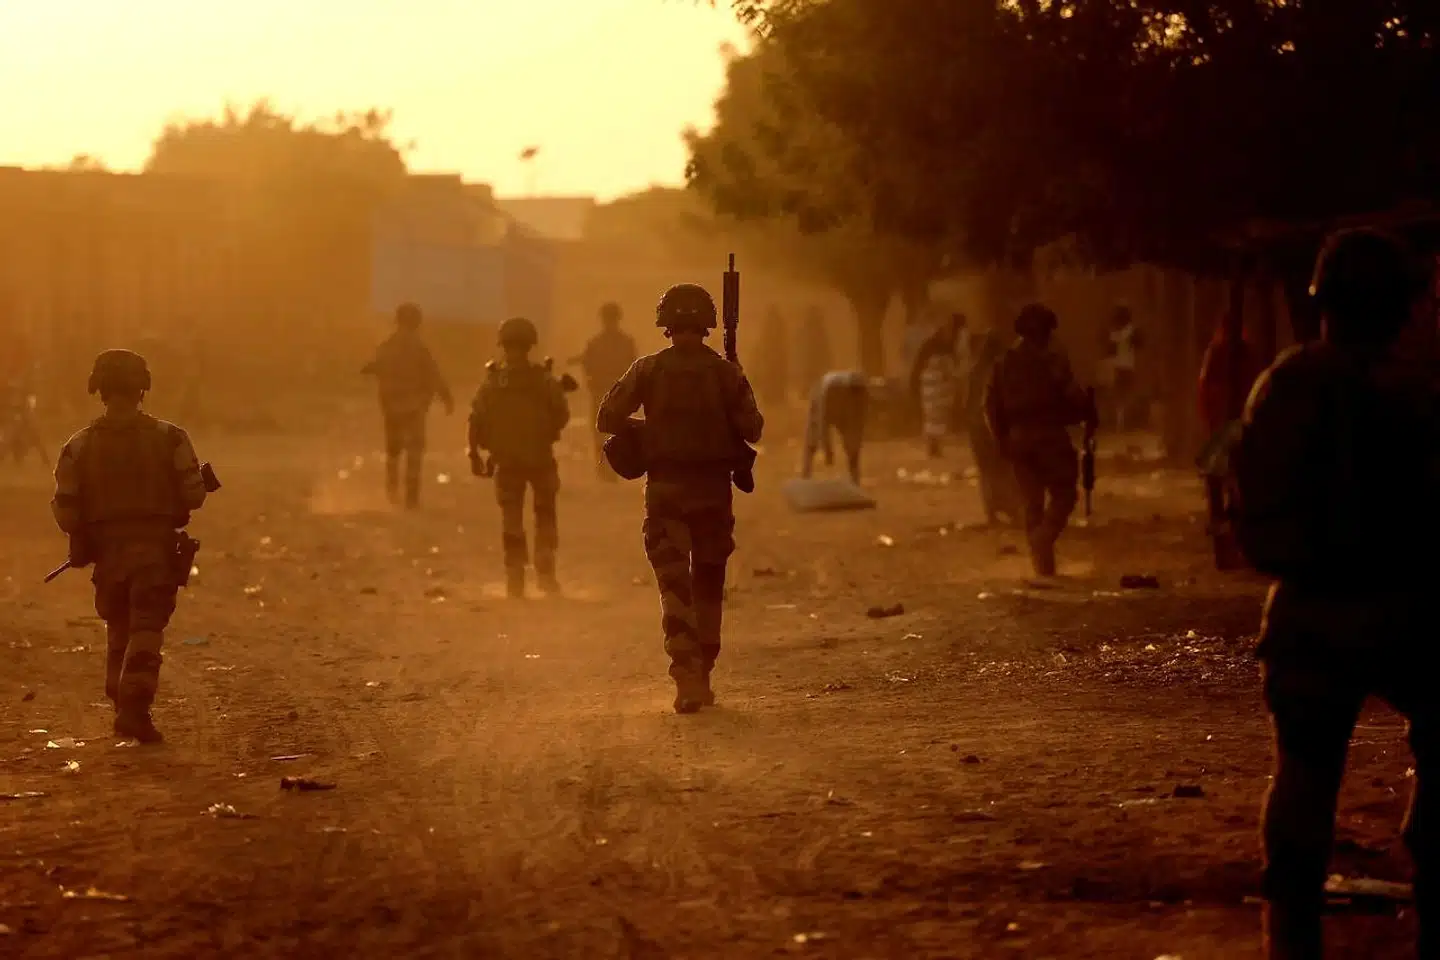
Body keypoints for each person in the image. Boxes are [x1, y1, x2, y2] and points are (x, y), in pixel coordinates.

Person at [1230, 228, 1439, 960]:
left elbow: (1249, 514)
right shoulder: (1422, 395)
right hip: (1414, 613)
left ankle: (1289, 922)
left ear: (1323, 303)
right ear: (1403, 308)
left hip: (1311, 612)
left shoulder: (1285, 385)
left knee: (1305, 779)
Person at [596, 283, 764, 714]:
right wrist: (735, 375)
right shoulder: (726, 372)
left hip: (666, 491)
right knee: (709, 582)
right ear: (708, 325)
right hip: (712, 491)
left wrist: (651, 433)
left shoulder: (648, 369)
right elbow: (753, 428)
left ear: (665, 325)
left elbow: (607, 418)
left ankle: (687, 679)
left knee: (675, 588)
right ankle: (704, 671)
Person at [50, 350, 211, 744]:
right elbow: (194, 496)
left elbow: (66, 513)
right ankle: (135, 708)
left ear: (99, 390)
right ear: (142, 389)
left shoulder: (78, 446)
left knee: (118, 626)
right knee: (146, 627)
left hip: (108, 556)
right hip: (154, 552)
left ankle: (120, 698)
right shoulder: (172, 438)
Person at [986, 304, 1095, 577]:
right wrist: (1089, 410)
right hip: (1049, 437)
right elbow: (1074, 397)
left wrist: (1002, 441)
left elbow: (990, 406)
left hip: (1018, 440)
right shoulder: (1052, 362)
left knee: (1032, 501)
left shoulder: (1003, 364)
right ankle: (1043, 540)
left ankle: (1043, 567)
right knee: (1065, 493)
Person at [468, 316, 571, 599]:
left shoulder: (492, 383)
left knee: (511, 519)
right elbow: (562, 415)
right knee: (545, 516)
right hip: (540, 458)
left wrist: (474, 453)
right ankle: (546, 576)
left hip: (506, 460)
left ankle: (515, 580)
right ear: (530, 345)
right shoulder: (544, 380)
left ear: (503, 345)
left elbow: (476, 420)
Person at [360, 303, 454, 509]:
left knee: (393, 452)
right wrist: (446, 398)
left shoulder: (387, 346)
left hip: (392, 407)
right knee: (414, 453)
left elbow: (374, 367)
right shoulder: (420, 348)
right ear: (417, 323)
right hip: (414, 408)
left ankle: (392, 495)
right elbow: (434, 375)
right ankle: (411, 499)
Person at [1196, 308, 1265, 570]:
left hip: (1236, 428)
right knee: (1221, 488)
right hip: (1227, 428)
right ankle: (1226, 549)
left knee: (1235, 489)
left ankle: (1235, 546)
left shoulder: (1242, 353)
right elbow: (1206, 390)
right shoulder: (1220, 353)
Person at [569, 302, 637, 481]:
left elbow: (588, 366)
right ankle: (608, 470)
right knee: (606, 432)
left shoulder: (600, 343)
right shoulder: (622, 342)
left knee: (606, 431)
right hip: (611, 394)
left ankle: (609, 470)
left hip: (608, 394)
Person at [967, 328, 1020, 526]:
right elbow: (987, 403)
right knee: (1002, 468)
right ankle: (1010, 508)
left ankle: (993, 511)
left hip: (976, 428)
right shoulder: (995, 371)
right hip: (989, 427)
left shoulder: (975, 371)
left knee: (987, 470)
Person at [801, 370, 868, 484]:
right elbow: (822, 422)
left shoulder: (860, 392)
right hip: (824, 401)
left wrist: (854, 446)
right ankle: (806, 474)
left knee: (853, 449)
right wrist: (827, 450)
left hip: (843, 408)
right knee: (812, 439)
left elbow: (858, 422)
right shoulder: (828, 391)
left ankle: (855, 479)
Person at [911, 313, 960, 458]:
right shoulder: (933, 346)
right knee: (933, 417)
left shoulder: (940, 346)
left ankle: (935, 446)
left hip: (938, 388)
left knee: (936, 417)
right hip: (932, 387)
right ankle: (933, 446)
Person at [1104, 304, 1143, 431]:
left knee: (1120, 395)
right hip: (1127, 366)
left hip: (1117, 366)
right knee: (1125, 394)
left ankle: (1120, 420)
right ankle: (1122, 421)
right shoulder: (1130, 331)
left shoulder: (1115, 332)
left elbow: (1109, 349)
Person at [751, 306, 791, 414]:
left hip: (772, 356)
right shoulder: (776, 326)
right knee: (773, 378)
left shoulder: (770, 327)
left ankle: (773, 397)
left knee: (773, 378)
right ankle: (773, 397)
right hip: (773, 356)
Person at [796, 306, 835, 401]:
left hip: (813, 359)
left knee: (813, 377)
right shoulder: (814, 328)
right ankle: (810, 394)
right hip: (813, 359)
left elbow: (822, 345)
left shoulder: (811, 328)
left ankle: (810, 394)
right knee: (812, 377)